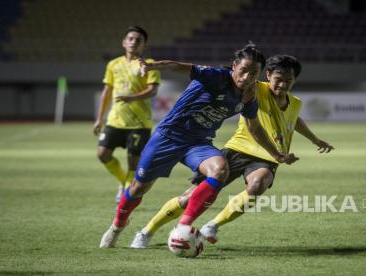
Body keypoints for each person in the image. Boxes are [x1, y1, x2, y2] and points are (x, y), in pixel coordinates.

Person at [99, 44, 298, 248]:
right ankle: (117, 226)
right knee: (139, 188)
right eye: (244, 70)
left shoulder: (249, 96)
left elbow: (255, 128)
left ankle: (183, 227)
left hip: (198, 143)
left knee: (220, 170)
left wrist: (277, 154)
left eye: (253, 73)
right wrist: (154, 67)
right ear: (234, 66)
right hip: (168, 137)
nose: (247, 77)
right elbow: (180, 66)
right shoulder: (216, 76)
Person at [129, 55, 334, 248]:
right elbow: (230, 79)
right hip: (237, 149)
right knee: (188, 198)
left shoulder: (295, 102)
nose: (282, 84)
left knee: (257, 185)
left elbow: (294, 119)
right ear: (268, 74)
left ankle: (212, 225)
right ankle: (147, 231)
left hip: (267, 156)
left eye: (288, 80)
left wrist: (314, 139)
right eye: (278, 79)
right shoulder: (254, 88)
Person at [94, 26, 161, 202]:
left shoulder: (149, 64)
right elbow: (106, 92)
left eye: (138, 40)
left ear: (143, 45)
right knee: (102, 154)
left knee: (133, 161)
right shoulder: (113, 64)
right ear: (124, 42)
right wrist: (99, 119)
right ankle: (124, 182)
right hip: (115, 120)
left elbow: (153, 90)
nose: (133, 42)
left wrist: (132, 98)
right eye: (130, 39)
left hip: (139, 123)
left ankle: (125, 195)